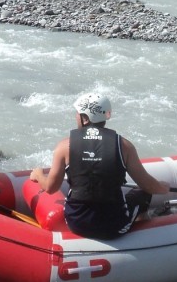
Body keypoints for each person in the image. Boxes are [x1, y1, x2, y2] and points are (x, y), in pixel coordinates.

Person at [30, 93, 169, 239]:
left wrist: (38, 175)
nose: (75, 116)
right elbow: (148, 186)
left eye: (77, 113)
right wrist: (163, 187)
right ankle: (144, 233)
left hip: (76, 223)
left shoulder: (64, 146)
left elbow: (50, 188)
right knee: (143, 194)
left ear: (85, 118)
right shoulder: (124, 146)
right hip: (115, 225)